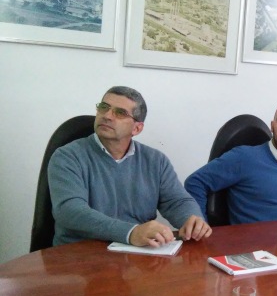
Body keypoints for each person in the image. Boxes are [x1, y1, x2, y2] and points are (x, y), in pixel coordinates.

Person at [48, 86, 211, 247]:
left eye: (120, 113)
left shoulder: (156, 160)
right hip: (80, 252)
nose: (107, 116)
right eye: (104, 107)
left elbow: (177, 201)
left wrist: (192, 220)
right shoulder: (67, 156)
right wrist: (130, 232)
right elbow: (69, 211)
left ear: (137, 128)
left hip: (136, 253)